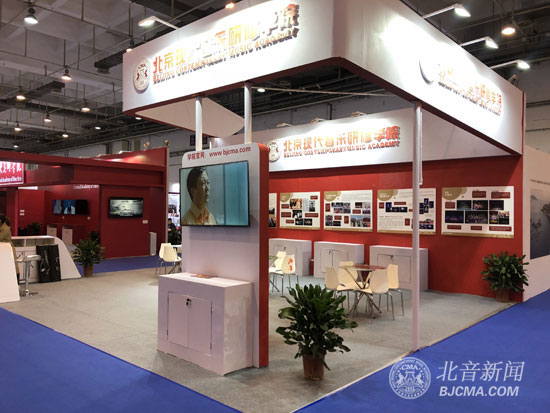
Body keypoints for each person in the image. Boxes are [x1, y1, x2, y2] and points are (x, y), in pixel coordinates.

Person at [0, 213, 20, 282]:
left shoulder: (5, 228)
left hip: (8, 250)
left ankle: (15, 281)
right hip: (4, 249)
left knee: (12, 266)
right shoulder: (2, 227)